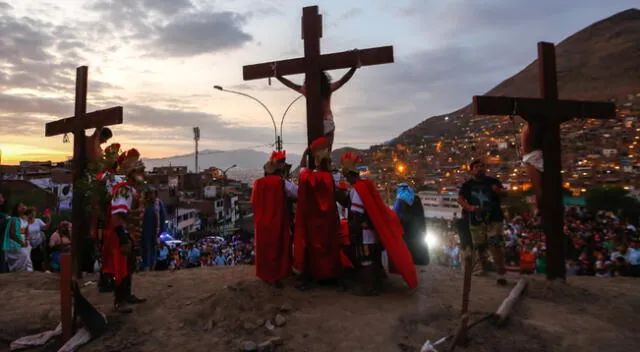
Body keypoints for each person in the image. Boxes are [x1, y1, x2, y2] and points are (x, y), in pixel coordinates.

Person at [340, 152, 418, 295]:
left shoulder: (357, 190)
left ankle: (369, 288)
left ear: (350, 175)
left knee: (366, 259)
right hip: (372, 230)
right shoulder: (365, 185)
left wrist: (353, 232)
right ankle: (378, 282)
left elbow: (357, 214)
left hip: (364, 232)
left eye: (346, 177)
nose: (347, 180)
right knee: (373, 257)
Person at [275, 55, 360, 154]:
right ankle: (327, 162)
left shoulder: (307, 90)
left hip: (314, 124)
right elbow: (343, 80)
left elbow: (291, 84)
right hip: (328, 122)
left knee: (315, 152)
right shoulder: (328, 89)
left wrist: (278, 77)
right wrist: (354, 68)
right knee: (327, 151)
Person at [294, 138, 342, 290]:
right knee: (329, 247)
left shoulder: (308, 176)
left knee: (314, 249)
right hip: (328, 220)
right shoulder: (330, 178)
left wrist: (305, 153)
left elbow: (301, 169)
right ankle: (328, 275)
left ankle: (315, 274)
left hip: (312, 222)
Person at [104, 149, 147, 313]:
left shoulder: (131, 189)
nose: (143, 174)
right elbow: (117, 216)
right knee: (120, 267)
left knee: (129, 266)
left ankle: (127, 295)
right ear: (133, 173)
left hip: (127, 231)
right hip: (118, 233)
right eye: (140, 171)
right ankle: (119, 301)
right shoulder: (124, 191)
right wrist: (123, 238)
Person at [457, 159, 508, 285]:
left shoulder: (493, 182)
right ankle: (482, 269)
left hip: (494, 218)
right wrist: (469, 208)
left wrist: (499, 191)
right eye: (477, 166)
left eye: (482, 166)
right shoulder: (467, 185)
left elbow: (505, 193)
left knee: (495, 246)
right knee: (479, 246)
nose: (480, 168)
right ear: (472, 170)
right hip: (476, 219)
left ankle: (501, 273)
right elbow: (460, 199)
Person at [251, 151, 296, 287]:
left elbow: (253, 201)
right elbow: (296, 192)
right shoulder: (281, 182)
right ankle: (278, 275)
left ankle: (266, 275)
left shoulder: (257, 184)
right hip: (278, 220)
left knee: (264, 249)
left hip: (261, 222)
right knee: (278, 247)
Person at [393, 183, 428, 265]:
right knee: (418, 243)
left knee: (408, 244)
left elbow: (395, 213)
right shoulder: (416, 198)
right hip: (417, 226)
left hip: (406, 226)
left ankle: (408, 260)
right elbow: (421, 213)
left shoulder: (400, 199)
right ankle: (419, 260)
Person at [2, 202, 32, 272]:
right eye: (20, 207)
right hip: (14, 243)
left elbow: (24, 232)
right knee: (23, 256)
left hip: (22, 242)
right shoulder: (14, 219)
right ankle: (16, 273)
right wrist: (21, 242)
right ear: (16, 210)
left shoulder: (25, 219)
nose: (22, 207)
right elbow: (12, 234)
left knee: (27, 259)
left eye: (24, 206)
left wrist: (26, 240)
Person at [141, 187, 166, 271]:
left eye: (153, 193)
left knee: (153, 249)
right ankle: (146, 266)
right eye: (150, 193)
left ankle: (152, 266)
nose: (151, 195)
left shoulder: (159, 203)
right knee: (145, 248)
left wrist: (161, 231)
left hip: (155, 231)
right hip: (144, 231)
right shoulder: (143, 203)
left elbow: (163, 217)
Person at [521, 121, 543, 209]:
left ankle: (541, 209)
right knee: (540, 189)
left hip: (532, 156)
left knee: (539, 189)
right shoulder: (528, 128)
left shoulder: (528, 127)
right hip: (534, 156)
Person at [25, 207, 51, 271]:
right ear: (28, 214)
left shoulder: (38, 220)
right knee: (31, 262)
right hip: (29, 246)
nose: (34, 213)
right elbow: (23, 233)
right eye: (33, 212)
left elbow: (45, 227)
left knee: (39, 261)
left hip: (39, 245)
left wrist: (49, 219)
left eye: (35, 212)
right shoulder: (25, 222)